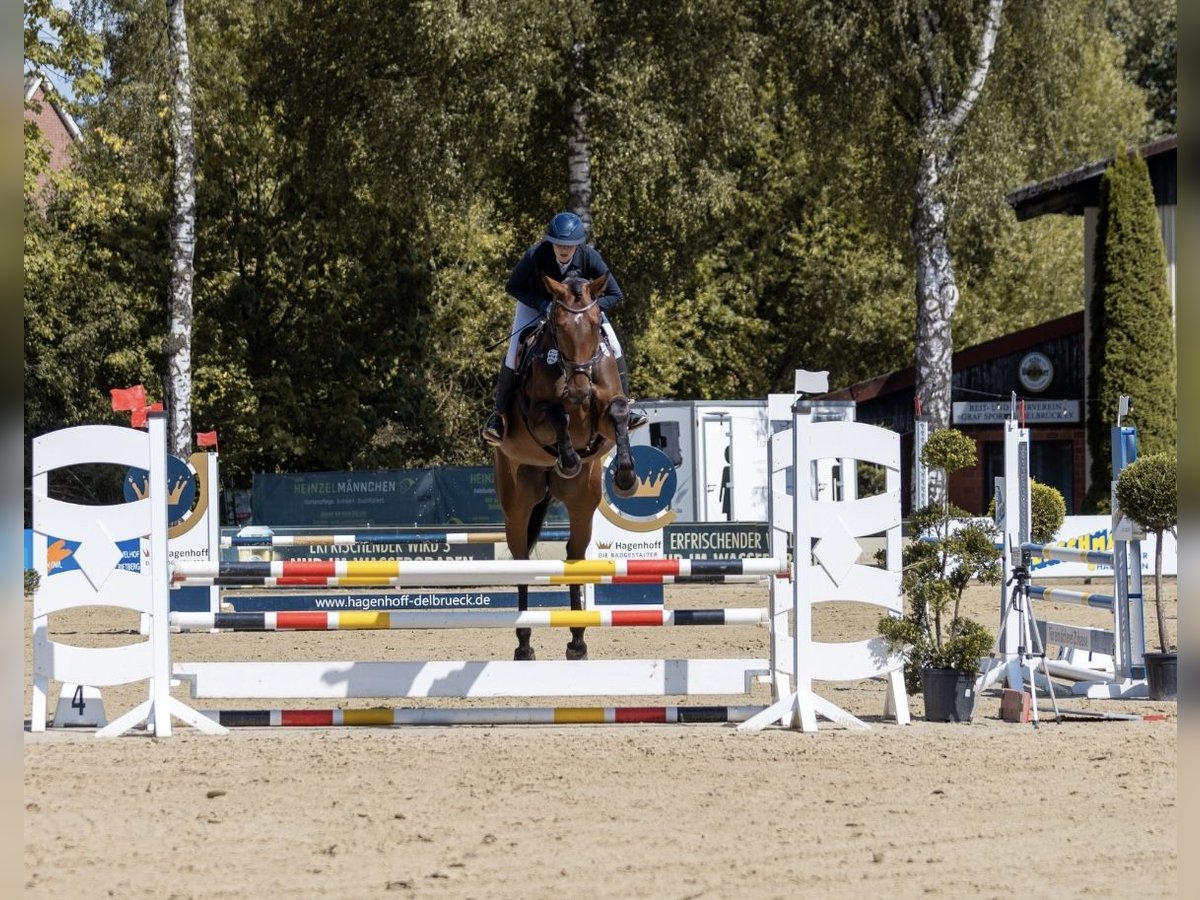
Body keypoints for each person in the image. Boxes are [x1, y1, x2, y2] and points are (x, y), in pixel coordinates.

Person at [481, 211, 646, 444]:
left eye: (569, 245)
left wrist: (589, 310)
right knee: (513, 352)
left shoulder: (589, 256)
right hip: (537, 304)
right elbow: (513, 286)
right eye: (558, 244)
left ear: (577, 245)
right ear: (551, 242)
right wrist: (543, 305)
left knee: (615, 345)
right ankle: (498, 417)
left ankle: (626, 407)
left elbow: (615, 294)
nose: (563, 249)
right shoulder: (536, 255)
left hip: (580, 313)